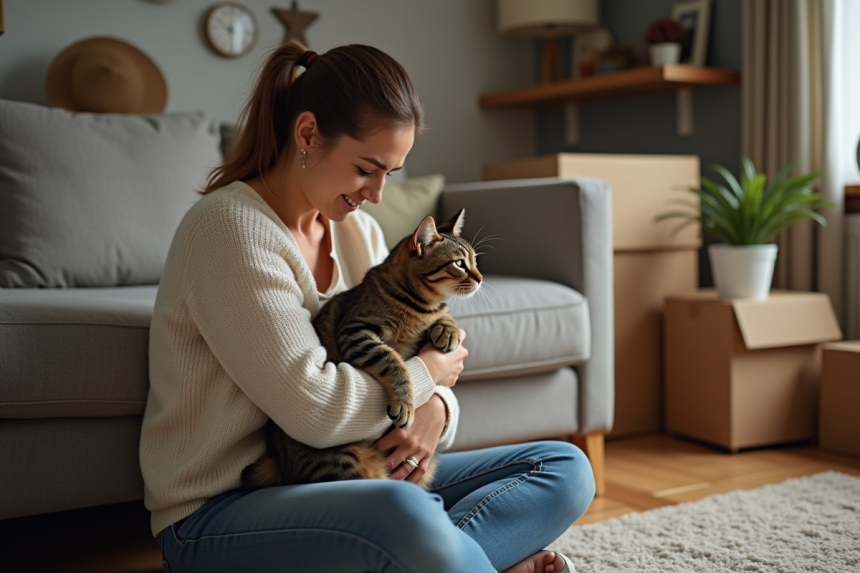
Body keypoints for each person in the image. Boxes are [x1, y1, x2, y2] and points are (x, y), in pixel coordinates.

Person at [139, 41, 595, 573]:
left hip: (369, 470)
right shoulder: (229, 230)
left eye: (390, 174)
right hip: (218, 515)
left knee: (563, 467)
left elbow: (427, 385)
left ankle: (433, 558)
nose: (377, 194)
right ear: (307, 134)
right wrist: (428, 377)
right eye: (366, 169)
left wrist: (437, 410)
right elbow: (317, 412)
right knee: (404, 512)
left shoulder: (357, 232)